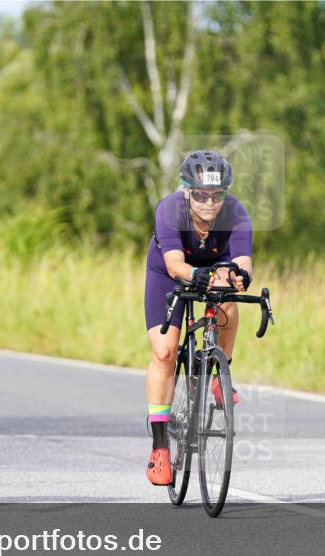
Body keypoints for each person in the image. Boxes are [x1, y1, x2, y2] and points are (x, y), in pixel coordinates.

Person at [143, 150, 253, 485]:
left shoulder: (235, 213)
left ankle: (220, 372)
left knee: (227, 300)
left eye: (216, 196)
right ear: (187, 191)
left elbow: (243, 263)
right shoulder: (170, 210)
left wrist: (239, 277)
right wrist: (196, 276)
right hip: (169, 271)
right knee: (165, 352)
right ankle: (160, 448)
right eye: (201, 195)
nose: (209, 203)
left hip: (215, 267)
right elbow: (175, 265)